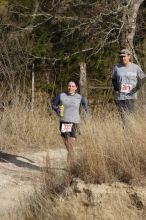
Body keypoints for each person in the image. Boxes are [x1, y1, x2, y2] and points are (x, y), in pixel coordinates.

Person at [52, 79, 89, 167]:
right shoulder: (61, 95)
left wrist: (88, 117)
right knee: (68, 143)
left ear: (76, 88)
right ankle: (73, 162)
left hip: (75, 122)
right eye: (69, 86)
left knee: (71, 144)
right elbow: (53, 105)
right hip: (64, 121)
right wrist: (57, 110)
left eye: (72, 86)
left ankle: (70, 166)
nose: (70, 88)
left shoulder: (79, 97)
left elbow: (86, 108)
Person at [111, 48, 146, 124]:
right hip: (120, 96)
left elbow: (143, 78)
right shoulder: (117, 67)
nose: (123, 58)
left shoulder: (135, 67)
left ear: (129, 56)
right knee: (122, 117)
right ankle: (124, 133)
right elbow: (113, 79)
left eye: (124, 56)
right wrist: (117, 88)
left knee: (129, 116)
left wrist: (135, 89)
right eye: (121, 57)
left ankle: (130, 132)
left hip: (131, 96)